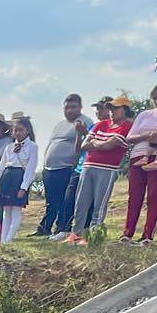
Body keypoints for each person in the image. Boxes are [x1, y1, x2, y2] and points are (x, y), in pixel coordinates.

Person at [65, 96, 135, 245]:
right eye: (111, 109)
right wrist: (99, 143)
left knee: (99, 203)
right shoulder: (102, 124)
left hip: (107, 169)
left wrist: (96, 142)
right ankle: (75, 234)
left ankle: (94, 235)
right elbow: (83, 146)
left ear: (125, 110)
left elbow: (110, 145)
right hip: (88, 166)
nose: (112, 112)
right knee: (81, 202)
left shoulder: (128, 126)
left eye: (116, 109)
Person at [122, 83, 157, 245]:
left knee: (154, 195)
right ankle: (127, 233)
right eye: (155, 98)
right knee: (134, 196)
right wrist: (147, 136)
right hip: (138, 156)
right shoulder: (145, 115)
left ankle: (147, 235)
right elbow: (129, 137)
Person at [38, 95, 95, 239]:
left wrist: (74, 165)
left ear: (80, 107)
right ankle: (45, 228)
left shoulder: (85, 122)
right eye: (67, 107)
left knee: (66, 200)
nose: (69, 110)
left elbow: (86, 144)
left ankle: (63, 228)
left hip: (68, 167)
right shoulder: (59, 125)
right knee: (52, 201)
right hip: (50, 168)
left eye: (73, 107)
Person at [0, 117, 38, 242]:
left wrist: (24, 186)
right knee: (6, 210)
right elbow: (1, 167)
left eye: (20, 130)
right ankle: (3, 240)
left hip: (19, 177)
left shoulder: (32, 147)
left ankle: (9, 239)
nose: (18, 133)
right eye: (15, 130)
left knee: (16, 209)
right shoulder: (9, 147)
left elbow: (30, 168)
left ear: (27, 131)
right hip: (7, 177)